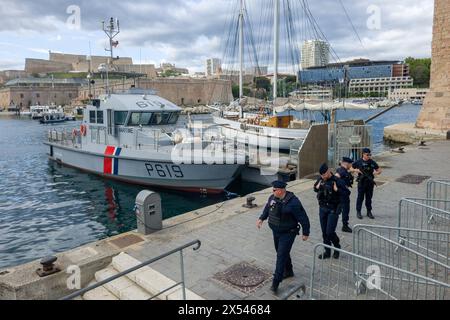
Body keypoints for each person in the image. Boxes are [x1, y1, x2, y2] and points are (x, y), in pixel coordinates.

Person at [256, 180, 310, 294]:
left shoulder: (293, 202)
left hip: (288, 233)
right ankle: (289, 270)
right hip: (276, 231)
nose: (272, 191)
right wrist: (261, 218)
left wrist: (306, 232)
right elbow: (267, 209)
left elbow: (303, 217)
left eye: (274, 190)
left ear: (280, 191)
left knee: (280, 256)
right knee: (281, 252)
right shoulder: (272, 198)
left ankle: (276, 282)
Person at [314, 163, 341, 259]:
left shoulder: (336, 180)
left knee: (330, 232)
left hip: (332, 210)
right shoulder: (321, 179)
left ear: (328, 171)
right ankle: (327, 251)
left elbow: (346, 194)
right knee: (324, 232)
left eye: (324, 175)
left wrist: (337, 190)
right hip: (322, 208)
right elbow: (315, 189)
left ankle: (337, 247)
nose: (323, 177)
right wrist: (316, 187)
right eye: (321, 175)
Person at [352, 148, 382, 219]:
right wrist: (356, 170)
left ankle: (369, 211)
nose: (369, 156)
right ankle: (358, 211)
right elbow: (350, 168)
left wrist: (376, 173)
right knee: (360, 198)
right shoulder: (358, 162)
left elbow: (379, 170)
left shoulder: (372, 162)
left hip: (369, 182)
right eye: (367, 155)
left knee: (369, 198)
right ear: (363, 154)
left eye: (370, 154)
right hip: (362, 182)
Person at [335, 157, 355, 233]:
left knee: (340, 209)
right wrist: (339, 188)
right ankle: (345, 226)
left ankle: (343, 224)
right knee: (344, 209)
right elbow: (335, 178)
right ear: (346, 163)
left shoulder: (344, 170)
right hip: (342, 194)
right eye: (350, 163)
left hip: (343, 193)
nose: (351, 164)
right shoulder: (341, 171)